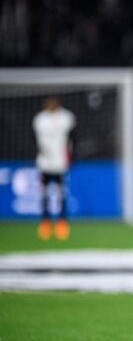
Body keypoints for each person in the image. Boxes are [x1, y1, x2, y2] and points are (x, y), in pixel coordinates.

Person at [33, 97, 75, 240]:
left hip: (60, 161)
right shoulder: (40, 119)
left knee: (61, 192)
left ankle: (62, 222)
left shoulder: (66, 118)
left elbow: (72, 138)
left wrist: (71, 156)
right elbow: (34, 139)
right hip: (44, 161)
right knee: (44, 192)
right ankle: (45, 221)